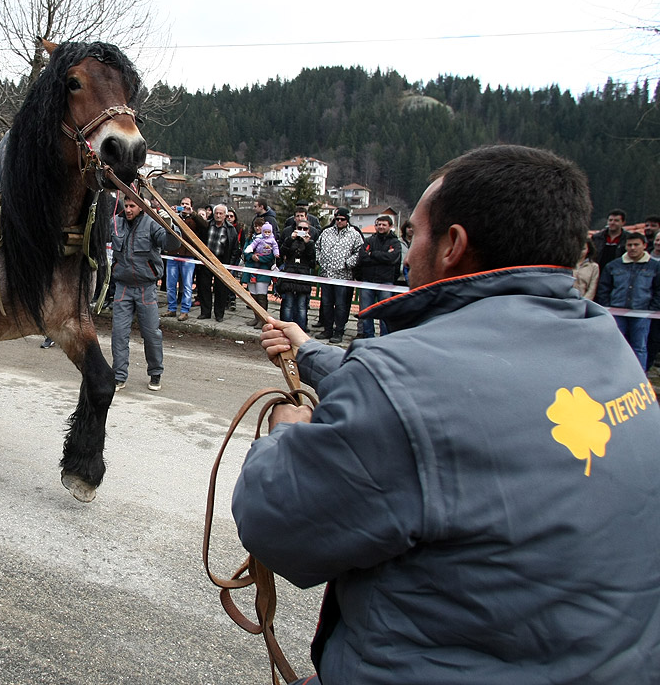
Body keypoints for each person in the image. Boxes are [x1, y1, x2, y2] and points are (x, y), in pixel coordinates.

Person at [236, 145, 660, 685]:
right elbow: (445, 407)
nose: (408, 254)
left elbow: (276, 522)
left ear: (453, 245)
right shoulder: (607, 344)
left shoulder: (405, 379)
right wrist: (310, 351)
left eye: (414, 235)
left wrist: (284, 435)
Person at [110, 193, 166, 391]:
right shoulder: (115, 223)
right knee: (119, 334)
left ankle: (155, 373)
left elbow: (170, 243)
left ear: (141, 207)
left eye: (132, 205)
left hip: (146, 288)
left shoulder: (152, 224)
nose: (128, 209)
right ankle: (118, 376)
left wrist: (170, 224)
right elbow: (96, 235)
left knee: (151, 334)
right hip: (122, 287)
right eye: (126, 205)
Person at [596, 231, 660, 371]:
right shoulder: (613, 265)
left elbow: (658, 290)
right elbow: (604, 287)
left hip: (642, 313)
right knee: (615, 345)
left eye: (636, 245)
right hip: (616, 312)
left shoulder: (655, 267)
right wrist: (607, 305)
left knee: (640, 347)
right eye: (629, 245)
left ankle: (639, 377)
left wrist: (651, 309)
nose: (632, 248)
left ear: (644, 245)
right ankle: (613, 374)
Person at [315, 206, 363, 344]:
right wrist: (320, 260)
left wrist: (349, 263)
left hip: (343, 277)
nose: (339, 221)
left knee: (341, 305)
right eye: (337, 219)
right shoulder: (326, 232)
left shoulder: (354, 234)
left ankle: (339, 331)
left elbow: (360, 251)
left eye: (342, 219)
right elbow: (317, 246)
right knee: (326, 304)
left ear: (347, 220)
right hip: (326, 274)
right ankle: (327, 329)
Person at [355, 215, 402, 338]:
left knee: (385, 312)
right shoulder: (369, 240)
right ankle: (368, 336)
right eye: (378, 224)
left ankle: (385, 338)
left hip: (386, 282)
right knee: (366, 311)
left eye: (384, 225)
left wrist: (373, 254)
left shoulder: (395, 242)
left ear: (390, 226)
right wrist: (382, 257)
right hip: (368, 280)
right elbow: (363, 257)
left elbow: (392, 259)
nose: (380, 227)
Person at [162, 196, 207, 321]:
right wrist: (170, 212)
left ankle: (184, 310)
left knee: (187, 285)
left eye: (187, 204)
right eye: (182, 204)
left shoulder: (195, 218)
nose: (184, 206)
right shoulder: (175, 216)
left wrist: (192, 213)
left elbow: (205, 226)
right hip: (173, 253)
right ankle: (171, 308)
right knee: (170, 284)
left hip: (188, 255)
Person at [197, 203, 239, 322]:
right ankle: (205, 312)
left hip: (222, 261)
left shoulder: (231, 230)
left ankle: (219, 314)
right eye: (216, 213)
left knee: (220, 289)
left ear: (225, 215)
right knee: (204, 287)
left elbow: (235, 249)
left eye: (221, 213)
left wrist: (230, 265)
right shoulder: (207, 225)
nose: (218, 215)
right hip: (206, 261)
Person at [276, 215, 317, 330]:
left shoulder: (311, 243)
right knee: (287, 304)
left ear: (308, 230)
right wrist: (290, 239)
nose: (302, 231)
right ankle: (286, 328)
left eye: (305, 229)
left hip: (303, 276)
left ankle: (301, 329)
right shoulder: (290, 240)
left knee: (301, 306)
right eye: (300, 228)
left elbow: (312, 262)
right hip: (289, 274)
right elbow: (281, 253)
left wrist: (308, 244)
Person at [243, 219, 279, 327]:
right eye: (256, 226)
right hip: (251, 270)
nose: (258, 228)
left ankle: (263, 319)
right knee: (253, 295)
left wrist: (260, 259)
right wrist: (251, 256)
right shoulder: (251, 238)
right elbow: (245, 251)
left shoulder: (270, 240)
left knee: (261, 295)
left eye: (260, 226)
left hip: (263, 270)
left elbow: (272, 254)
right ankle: (256, 317)